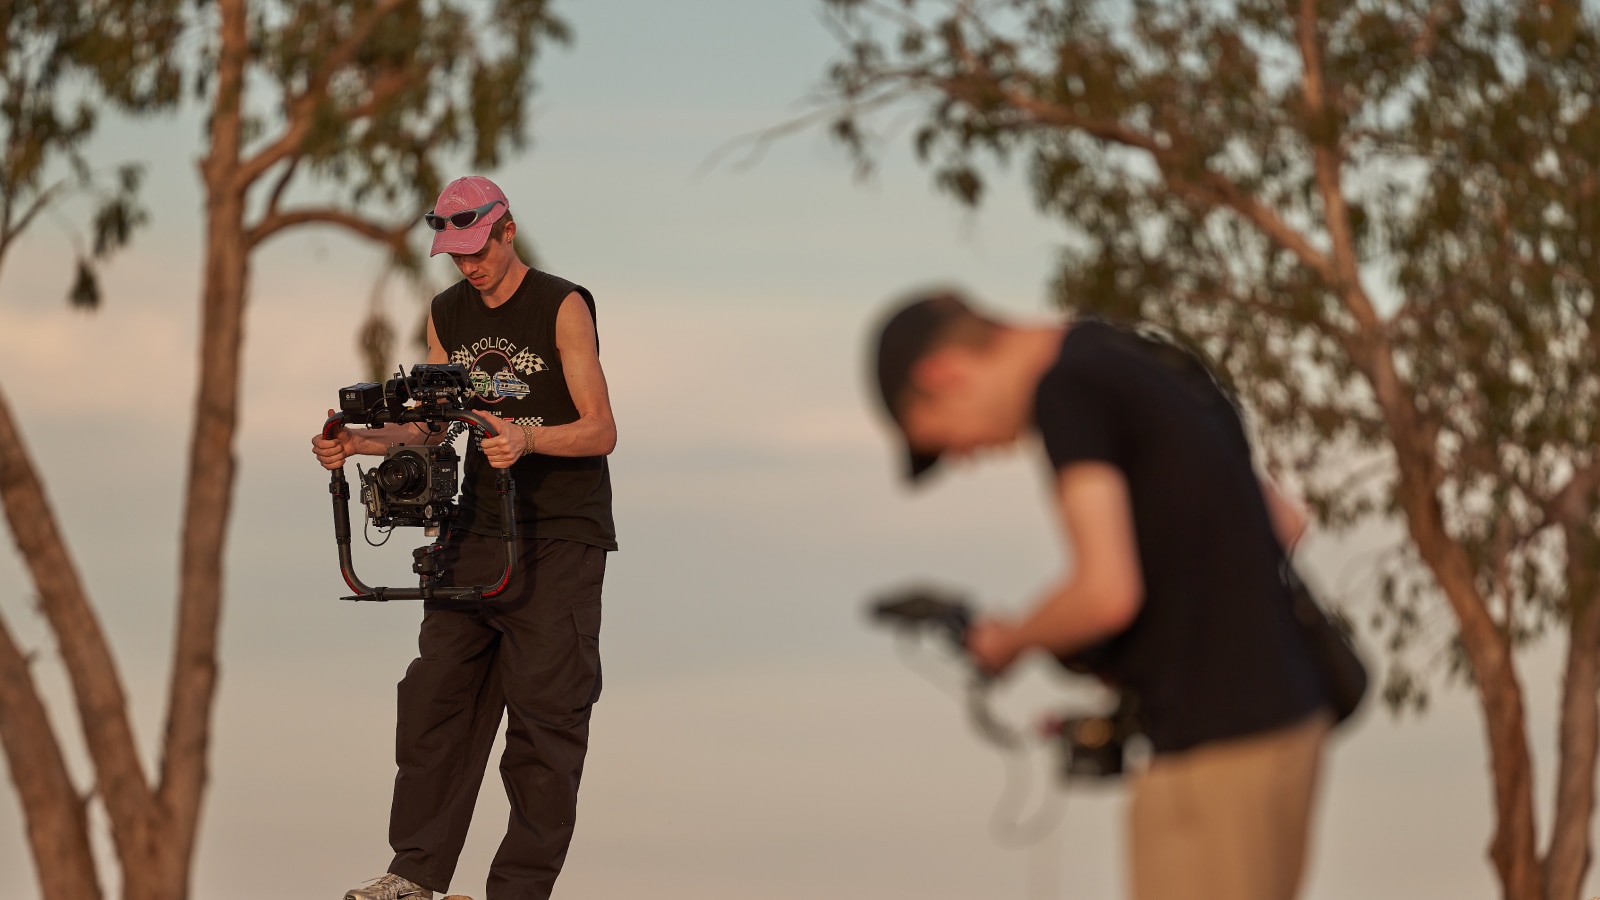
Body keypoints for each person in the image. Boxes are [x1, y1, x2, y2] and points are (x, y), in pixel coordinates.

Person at [871, 289, 1332, 900]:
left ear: (944, 375)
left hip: (1212, 747)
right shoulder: (1141, 357)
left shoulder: (1068, 389)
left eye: (943, 438)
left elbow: (1105, 593)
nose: (966, 456)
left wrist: (1012, 639)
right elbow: (1282, 523)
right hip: (1281, 732)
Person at [311, 175, 617, 900]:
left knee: (546, 721)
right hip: (475, 526)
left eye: (477, 250)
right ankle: (415, 875)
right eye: (456, 255)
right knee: (434, 698)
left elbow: (602, 427)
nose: (468, 266)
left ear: (507, 231)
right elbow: (431, 425)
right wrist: (358, 442)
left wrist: (528, 438)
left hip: (558, 536)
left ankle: (518, 890)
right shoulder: (447, 310)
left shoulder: (562, 304)